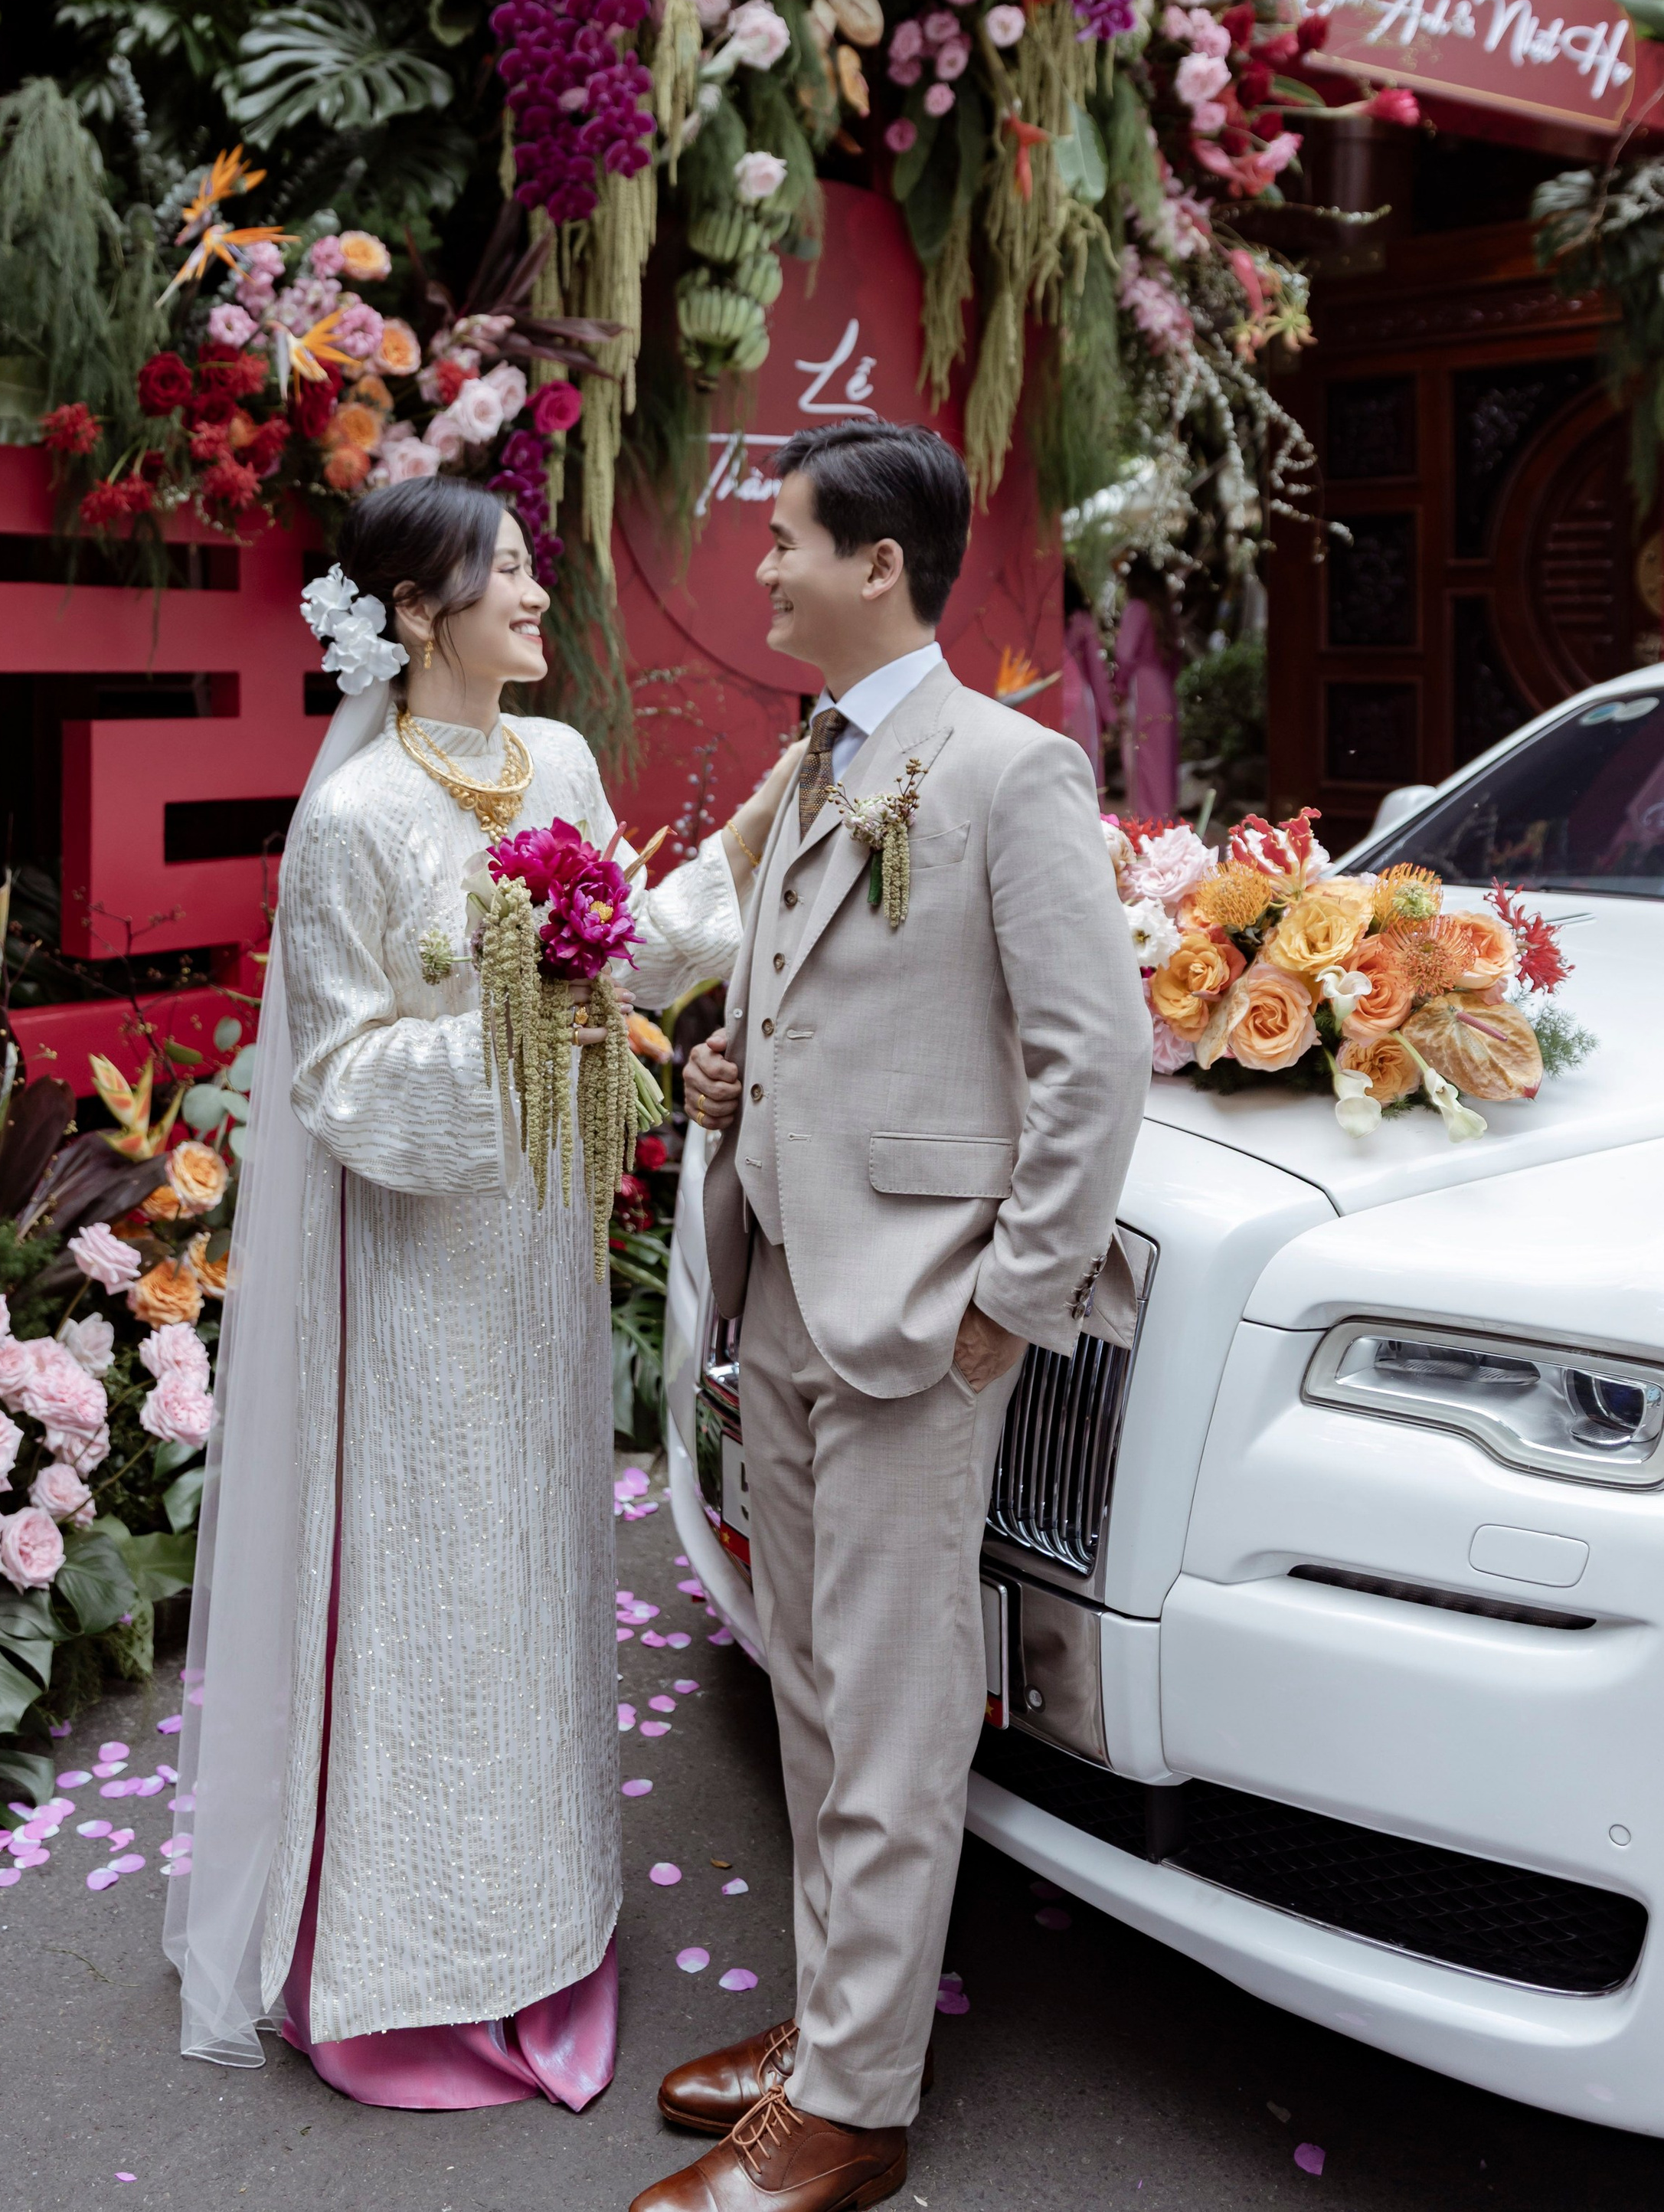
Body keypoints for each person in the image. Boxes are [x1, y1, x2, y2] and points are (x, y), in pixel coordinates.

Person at [165, 478, 800, 2112]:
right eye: (504, 572)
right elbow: (340, 1079)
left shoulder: (565, 762)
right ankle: (412, 1970)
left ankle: (544, 1919)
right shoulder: (354, 819)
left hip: (534, 1252)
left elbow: (630, 953)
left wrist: (734, 858)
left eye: (528, 564)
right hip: (417, 1273)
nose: (536, 592)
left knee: (538, 1571)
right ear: (417, 613)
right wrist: (516, 1019)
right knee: (436, 1592)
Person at [639, 420, 1149, 2212]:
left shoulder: (1006, 772)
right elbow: (811, 1011)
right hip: (780, 1279)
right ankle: (827, 2021)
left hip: (921, 1314)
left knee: (894, 1706)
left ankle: (853, 2107)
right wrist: (727, 1070)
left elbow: (1095, 1065)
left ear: (875, 564)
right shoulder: (813, 758)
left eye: (782, 539)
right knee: (809, 1684)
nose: (759, 567)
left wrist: (1004, 1306)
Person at [1114, 557, 1182, 821]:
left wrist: (1119, 689)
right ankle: (1166, 827)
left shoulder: (1136, 608)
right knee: (1162, 765)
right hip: (1163, 690)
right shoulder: (1164, 611)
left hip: (1142, 691)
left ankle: (1147, 830)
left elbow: (1124, 653)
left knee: (1141, 763)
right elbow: (1176, 657)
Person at [1059, 568, 1113, 786]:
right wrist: (1110, 714)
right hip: (1079, 702)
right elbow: (1097, 669)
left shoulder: (1041, 616)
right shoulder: (1082, 620)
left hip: (1043, 695)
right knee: (1085, 771)